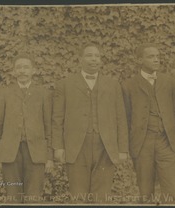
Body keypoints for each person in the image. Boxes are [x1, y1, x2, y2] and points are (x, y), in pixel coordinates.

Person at [52, 43, 129, 203]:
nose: (93, 59)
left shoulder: (113, 85)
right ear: (80, 59)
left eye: (97, 56)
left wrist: (122, 148)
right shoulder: (65, 84)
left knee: (101, 197)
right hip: (76, 147)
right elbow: (57, 119)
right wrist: (58, 147)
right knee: (78, 195)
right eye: (89, 55)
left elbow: (121, 118)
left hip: (105, 147)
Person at [122, 44, 175, 204]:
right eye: (151, 56)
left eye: (157, 56)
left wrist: (167, 130)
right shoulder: (129, 85)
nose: (156, 59)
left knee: (172, 191)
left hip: (166, 142)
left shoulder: (169, 82)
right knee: (145, 192)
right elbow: (126, 118)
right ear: (139, 60)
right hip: (142, 144)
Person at [0, 54, 53, 203]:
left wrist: (49, 157)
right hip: (10, 153)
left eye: (26, 67)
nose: (22, 71)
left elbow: (49, 127)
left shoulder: (43, 93)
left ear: (33, 70)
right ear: (13, 72)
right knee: (13, 197)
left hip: (36, 153)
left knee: (34, 197)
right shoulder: (4, 93)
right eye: (19, 67)